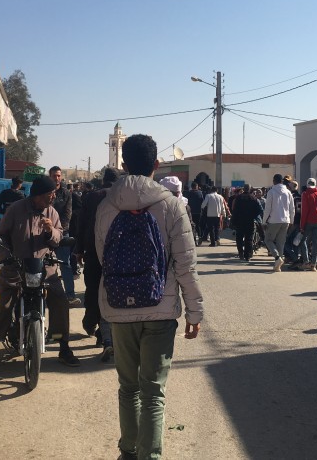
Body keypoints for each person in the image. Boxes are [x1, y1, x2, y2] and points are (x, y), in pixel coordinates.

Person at [94, 134, 203, 460]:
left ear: (124, 165)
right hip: (161, 308)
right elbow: (186, 264)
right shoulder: (170, 205)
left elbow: (103, 256)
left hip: (118, 307)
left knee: (128, 388)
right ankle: (150, 456)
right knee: (153, 392)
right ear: (156, 165)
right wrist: (194, 313)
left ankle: (128, 451)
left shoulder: (105, 205)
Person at [0, 175, 80, 367]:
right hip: (15, 267)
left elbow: (59, 237)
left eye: (53, 194)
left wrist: (51, 231)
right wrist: (6, 258)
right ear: (36, 195)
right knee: (4, 304)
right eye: (48, 195)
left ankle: (63, 346)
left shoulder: (52, 213)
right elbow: (0, 237)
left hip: (44, 269)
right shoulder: (15, 210)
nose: (52, 198)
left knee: (59, 300)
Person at [75, 167, 120, 361]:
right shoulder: (123, 197)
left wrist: (78, 250)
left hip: (93, 251)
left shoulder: (91, 197)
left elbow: (81, 224)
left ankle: (93, 323)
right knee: (112, 293)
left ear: (103, 181)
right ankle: (106, 335)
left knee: (93, 289)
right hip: (118, 254)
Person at [49, 166, 80, 307]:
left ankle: (70, 295)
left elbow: (68, 214)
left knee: (65, 264)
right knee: (46, 265)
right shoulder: (45, 192)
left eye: (58, 176)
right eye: (54, 176)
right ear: (50, 176)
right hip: (45, 233)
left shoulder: (66, 193)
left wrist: (58, 230)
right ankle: (46, 294)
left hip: (62, 233)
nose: (57, 178)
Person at [263, 173, 294, 272]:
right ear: (282, 181)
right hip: (286, 220)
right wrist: (291, 221)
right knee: (281, 243)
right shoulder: (288, 192)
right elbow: (292, 208)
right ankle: (278, 266)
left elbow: (267, 208)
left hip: (274, 220)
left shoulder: (271, 192)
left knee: (268, 240)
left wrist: (264, 221)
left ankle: (277, 258)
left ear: (274, 181)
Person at [300, 178, 317, 271]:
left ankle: (306, 262)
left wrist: (302, 225)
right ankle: (313, 264)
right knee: (315, 242)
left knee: (303, 241)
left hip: (308, 221)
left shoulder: (305, 194)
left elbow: (304, 211)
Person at [231, 184, 263, 262]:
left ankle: (241, 253)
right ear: (250, 189)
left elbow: (235, 210)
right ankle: (247, 256)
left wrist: (234, 220)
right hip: (250, 221)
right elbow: (260, 210)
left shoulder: (238, 198)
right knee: (249, 239)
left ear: (244, 189)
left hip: (240, 221)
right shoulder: (254, 198)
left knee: (239, 238)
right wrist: (253, 215)